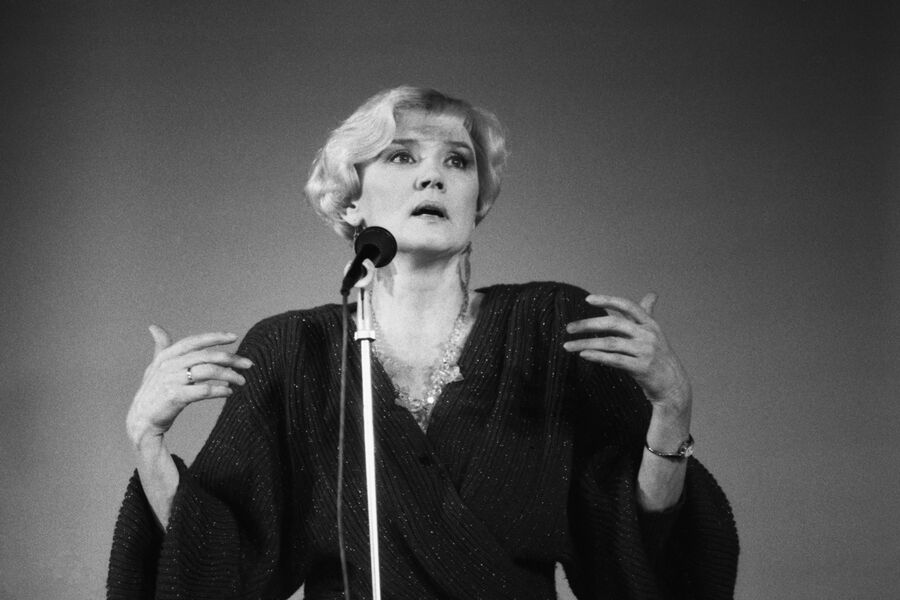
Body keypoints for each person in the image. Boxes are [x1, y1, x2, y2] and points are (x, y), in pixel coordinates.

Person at [108, 86, 739, 599]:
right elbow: (218, 559)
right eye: (402, 157)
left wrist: (671, 409)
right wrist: (147, 440)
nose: (434, 176)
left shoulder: (553, 327)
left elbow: (639, 549)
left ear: (477, 202)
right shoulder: (295, 348)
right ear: (351, 202)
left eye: (457, 162)